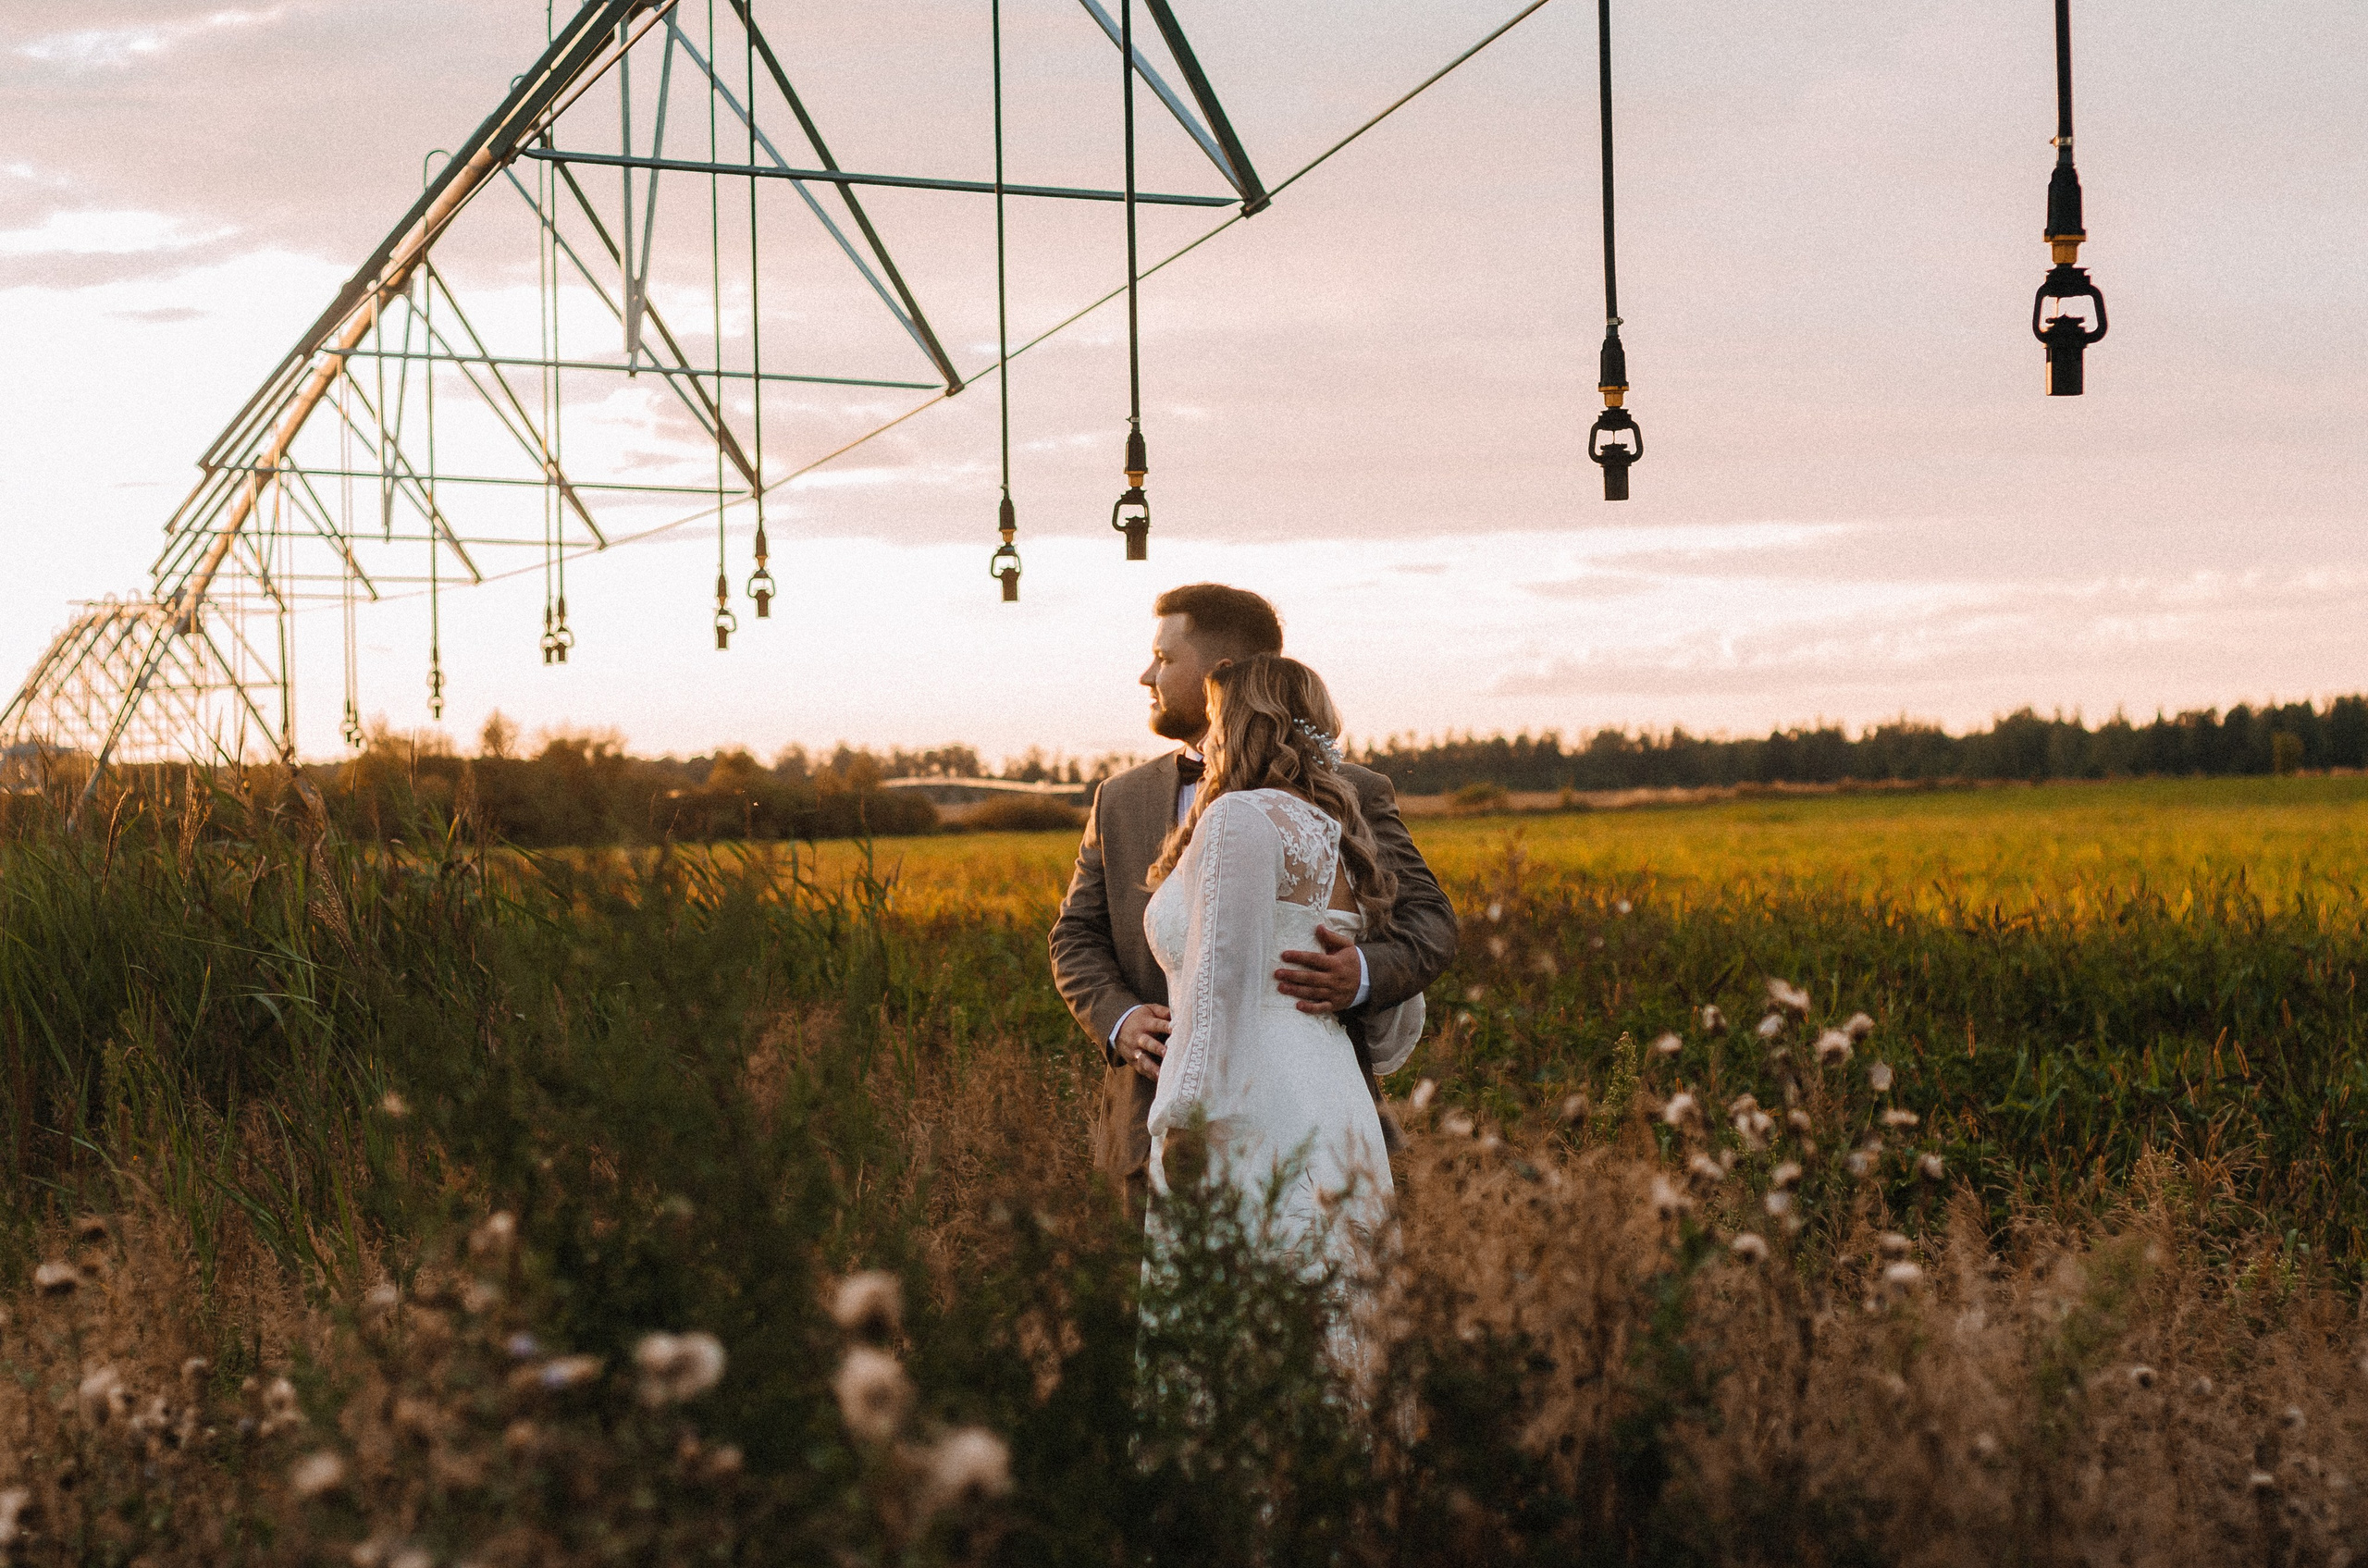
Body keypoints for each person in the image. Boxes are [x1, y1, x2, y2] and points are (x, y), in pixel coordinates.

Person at [1049, 585, 1457, 1212]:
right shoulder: (1119, 798)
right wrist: (1121, 1020)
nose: (1145, 674)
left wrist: (1363, 974)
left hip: (1306, 1112)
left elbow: (1429, 922)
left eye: (1164, 657)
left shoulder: (1353, 789)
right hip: (1146, 1121)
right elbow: (1075, 935)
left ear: (1223, 674)